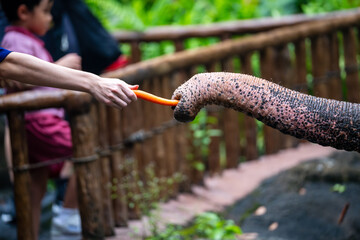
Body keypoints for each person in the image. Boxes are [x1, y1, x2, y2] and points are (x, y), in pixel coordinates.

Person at [0, 1, 135, 237]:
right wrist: (60, 67)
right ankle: (68, 214)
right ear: (23, 12)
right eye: (44, 11)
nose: (50, 18)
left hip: (36, 122)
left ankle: (30, 233)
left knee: (35, 184)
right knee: (90, 149)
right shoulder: (15, 41)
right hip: (39, 123)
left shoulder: (30, 40)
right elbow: (16, 77)